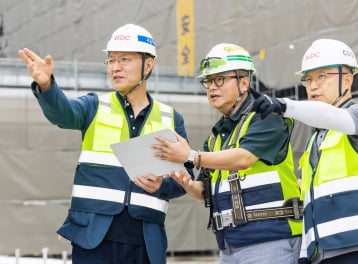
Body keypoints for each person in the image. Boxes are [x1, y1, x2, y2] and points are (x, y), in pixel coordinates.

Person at [18, 23, 188, 264]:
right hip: (93, 239)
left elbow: (186, 178)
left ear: (148, 65)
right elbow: (63, 114)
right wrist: (46, 86)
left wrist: (162, 185)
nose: (115, 67)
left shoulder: (171, 118)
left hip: (146, 242)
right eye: (111, 60)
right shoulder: (94, 106)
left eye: (124, 59)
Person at [250, 38, 358, 264]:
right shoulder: (316, 141)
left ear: (347, 80)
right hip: (322, 254)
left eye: (322, 76)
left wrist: (285, 106)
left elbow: (332, 116)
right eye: (308, 79)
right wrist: (304, 255)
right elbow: (311, 202)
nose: (313, 85)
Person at [153, 43, 302, 264]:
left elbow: (244, 158)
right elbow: (204, 193)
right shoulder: (215, 138)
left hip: (271, 240)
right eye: (208, 81)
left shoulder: (267, 117)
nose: (212, 87)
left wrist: (192, 156)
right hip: (229, 246)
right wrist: (185, 182)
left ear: (244, 82)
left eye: (220, 79)